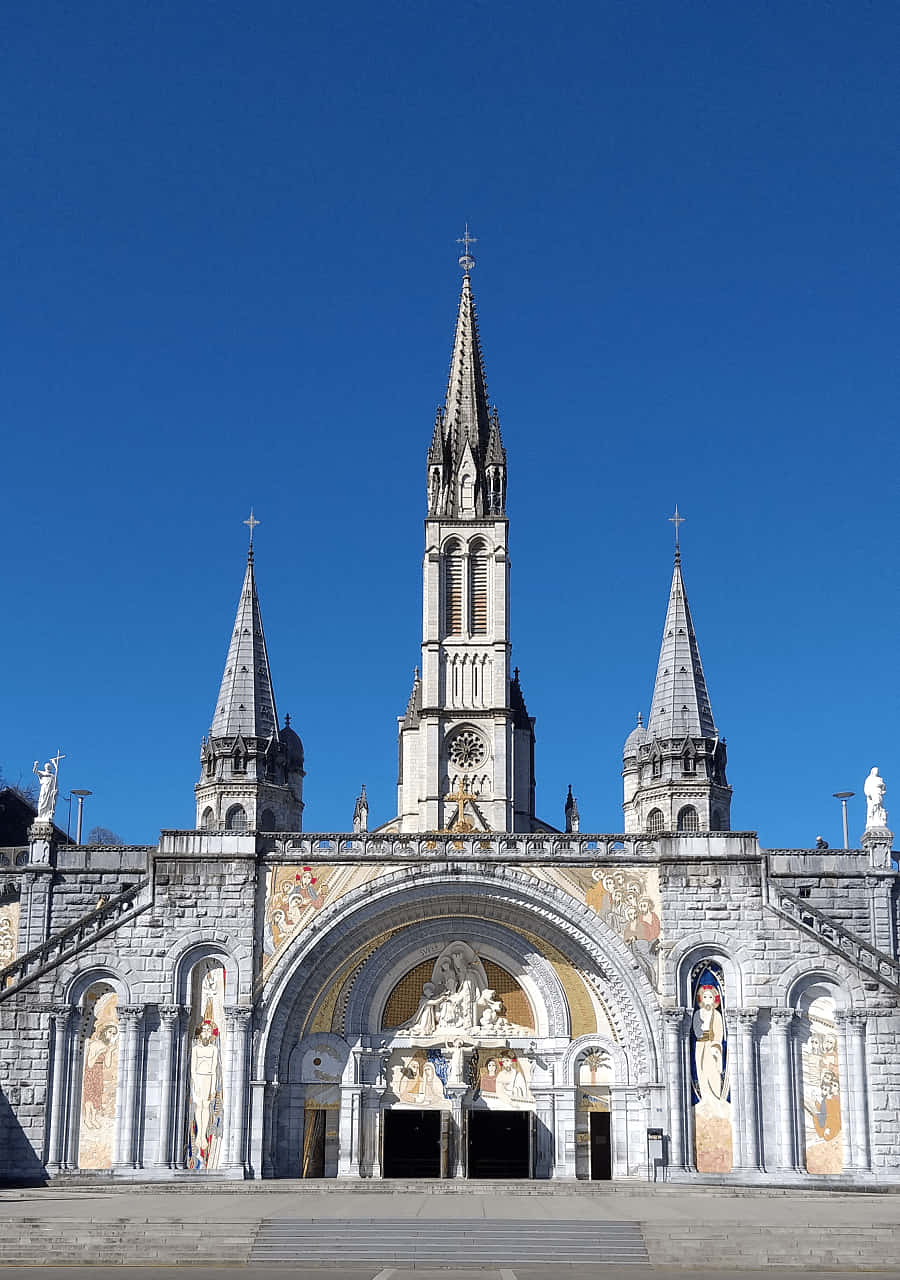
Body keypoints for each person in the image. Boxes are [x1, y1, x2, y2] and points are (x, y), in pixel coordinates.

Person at [692, 984, 728, 1108]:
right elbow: (697, 1030)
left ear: (714, 999)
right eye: (705, 997)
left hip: (713, 1046)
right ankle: (705, 1098)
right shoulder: (698, 1014)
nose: (707, 999)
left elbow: (719, 1032)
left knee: (713, 1072)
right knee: (702, 1072)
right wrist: (702, 1028)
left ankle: (715, 1098)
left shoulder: (717, 1015)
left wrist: (716, 1046)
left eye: (710, 997)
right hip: (700, 1045)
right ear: (701, 999)